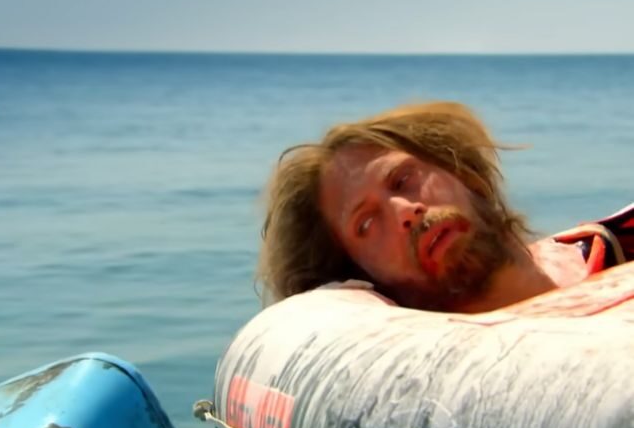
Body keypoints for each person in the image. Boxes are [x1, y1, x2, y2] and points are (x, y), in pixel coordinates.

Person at [257, 101, 632, 312]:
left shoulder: (611, 249)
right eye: (367, 223)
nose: (404, 211)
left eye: (404, 180)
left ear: (464, 174)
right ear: (360, 273)